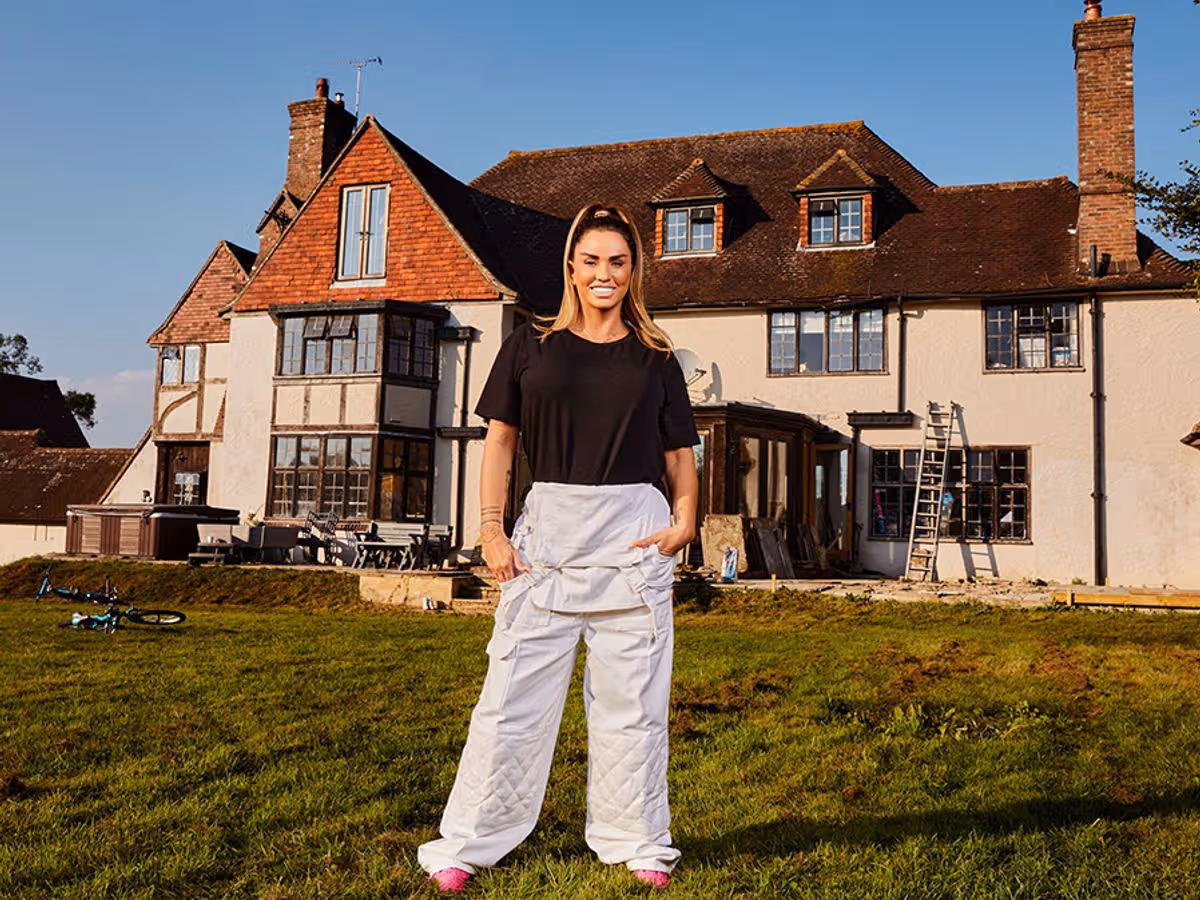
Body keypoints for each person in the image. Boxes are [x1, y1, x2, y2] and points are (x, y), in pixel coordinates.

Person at [417, 203, 700, 893]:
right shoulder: (528, 347)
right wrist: (489, 528)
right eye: (592, 260)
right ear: (572, 266)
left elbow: (679, 453)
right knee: (510, 697)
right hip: (547, 535)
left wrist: (686, 521)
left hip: (633, 537)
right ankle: (469, 843)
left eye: (619, 262)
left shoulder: (656, 356)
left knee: (632, 704)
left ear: (634, 272)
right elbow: (501, 445)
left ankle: (635, 840)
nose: (604, 274)